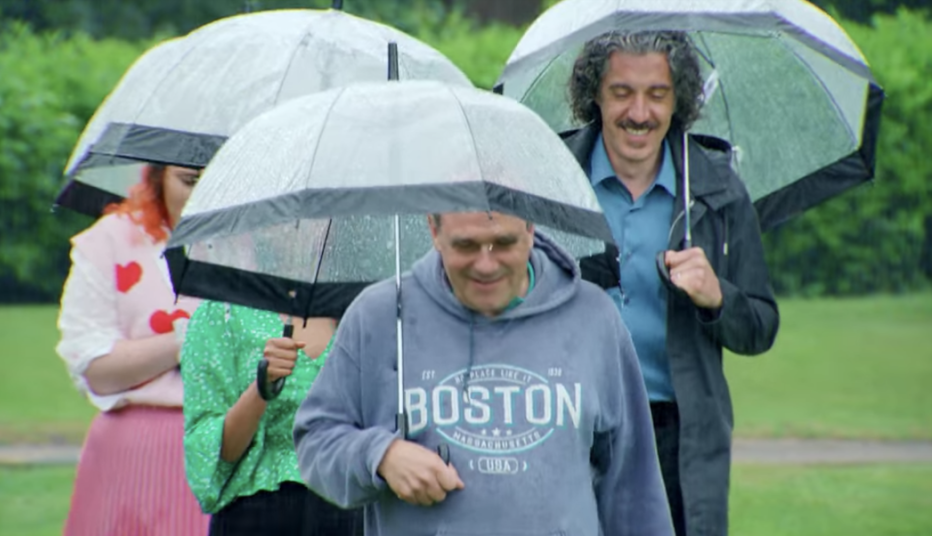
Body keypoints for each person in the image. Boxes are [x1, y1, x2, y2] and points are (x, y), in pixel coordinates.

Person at [293, 211, 675, 535]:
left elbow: (633, 480)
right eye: (466, 245)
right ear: (434, 230)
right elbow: (316, 439)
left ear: (530, 228)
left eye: (503, 243)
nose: (486, 264)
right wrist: (380, 456)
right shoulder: (379, 316)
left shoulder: (593, 316)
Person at [563, 30, 781, 536]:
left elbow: (761, 325)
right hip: (572, 424)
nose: (639, 112)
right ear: (594, 94)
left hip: (680, 437)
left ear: (677, 98)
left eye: (656, 94)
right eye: (622, 92)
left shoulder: (719, 189)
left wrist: (716, 297)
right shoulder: (554, 179)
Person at [55, 164, 208, 535]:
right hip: (134, 455)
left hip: (234, 451)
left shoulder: (264, 244)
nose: (205, 193)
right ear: (156, 177)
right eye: (189, 181)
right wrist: (184, 340)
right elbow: (98, 368)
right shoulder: (111, 241)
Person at [180, 301, 363, 536]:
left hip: (351, 505)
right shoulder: (222, 314)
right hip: (257, 512)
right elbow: (217, 452)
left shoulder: (369, 310)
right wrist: (261, 387)